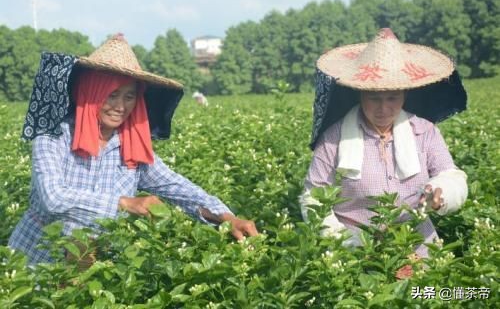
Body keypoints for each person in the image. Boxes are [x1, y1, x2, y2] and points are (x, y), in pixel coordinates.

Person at [9, 34, 257, 265]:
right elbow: (53, 198)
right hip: (36, 262)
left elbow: (181, 189)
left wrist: (227, 217)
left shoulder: (130, 146)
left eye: (129, 96)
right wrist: (126, 203)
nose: (120, 106)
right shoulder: (54, 135)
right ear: (91, 92)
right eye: (112, 95)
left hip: (90, 265)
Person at [299, 28, 468, 270]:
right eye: (374, 98)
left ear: (404, 96)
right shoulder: (334, 138)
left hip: (417, 245)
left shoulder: (424, 131)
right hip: (356, 252)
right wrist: (348, 246)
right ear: (360, 95)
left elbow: (451, 175)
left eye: (392, 98)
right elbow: (313, 196)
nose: (383, 108)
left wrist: (440, 195)